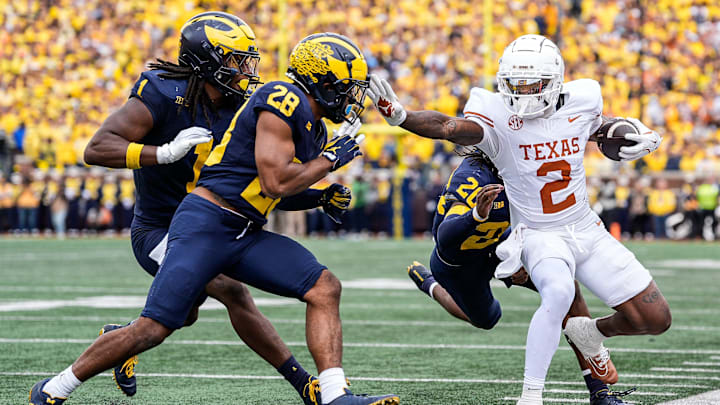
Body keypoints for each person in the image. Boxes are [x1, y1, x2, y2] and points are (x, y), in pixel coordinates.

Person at [30, 32, 398, 405]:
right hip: (204, 226)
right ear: (321, 80)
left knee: (324, 287)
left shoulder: (312, 126)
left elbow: (269, 188)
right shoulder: (281, 97)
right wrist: (330, 161)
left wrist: (321, 194)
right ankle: (53, 388)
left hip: (243, 230)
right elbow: (274, 181)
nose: (352, 97)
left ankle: (333, 395)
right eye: (346, 87)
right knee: (154, 328)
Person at [368, 34, 670, 405]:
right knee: (513, 308)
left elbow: (590, 126)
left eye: (532, 85)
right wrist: (402, 116)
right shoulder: (487, 143)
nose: (523, 94)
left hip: (573, 229)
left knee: (640, 314)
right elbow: (449, 131)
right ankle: (531, 394)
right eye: (515, 86)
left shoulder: (581, 100)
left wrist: (632, 132)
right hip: (486, 251)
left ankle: (593, 356)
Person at [407, 148, 631, 405]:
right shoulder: (473, 176)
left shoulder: (528, 170)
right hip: (459, 262)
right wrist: (477, 215)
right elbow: (445, 238)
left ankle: (599, 391)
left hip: (501, 245)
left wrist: (521, 256)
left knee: (567, 290)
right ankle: (432, 285)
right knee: (487, 318)